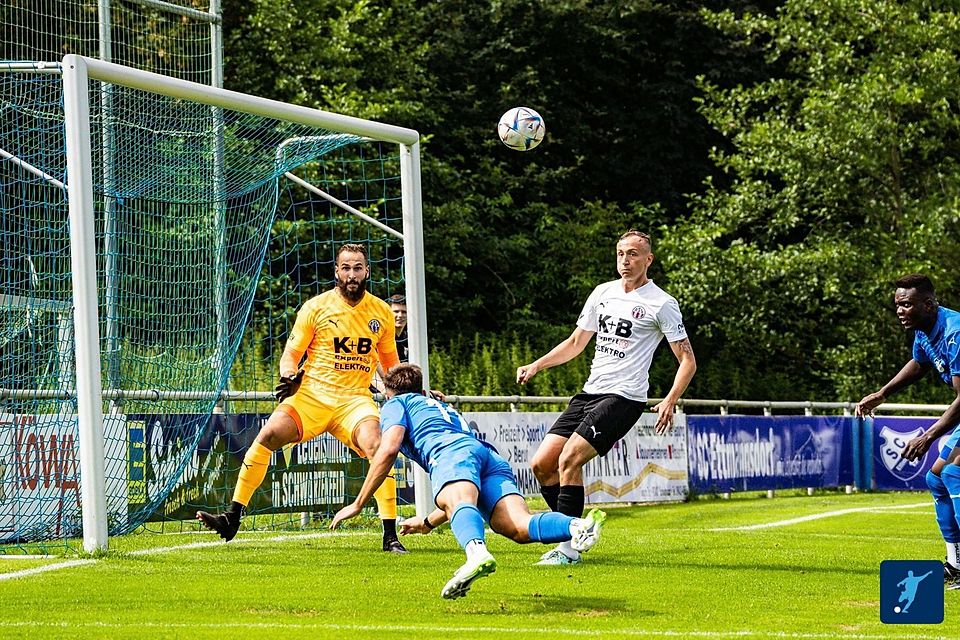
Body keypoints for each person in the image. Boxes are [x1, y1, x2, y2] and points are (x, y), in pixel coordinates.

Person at [329, 363, 608, 600]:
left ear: (390, 392)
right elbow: (462, 496)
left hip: (452, 455)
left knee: (459, 501)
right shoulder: (438, 404)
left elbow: (387, 450)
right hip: (486, 456)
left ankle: (476, 554)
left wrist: (358, 503)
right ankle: (578, 525)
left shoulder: (396, 404)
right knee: (516, 527)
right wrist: (427, 523)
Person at [197, 243, 408, 553]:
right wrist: (288, 375)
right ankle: (233, 517)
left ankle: (390, 535)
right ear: (336, 271)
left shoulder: (381, 313)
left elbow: (391, 367)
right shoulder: (315, 308)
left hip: (354, 400)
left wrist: (415, 392)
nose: (351, 274)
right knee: (267, 435)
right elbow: (290, 355)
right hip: (311, 396)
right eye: (346, 268)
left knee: (378, 446)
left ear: (367, 271)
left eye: (357, 268)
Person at [516, 230, 696, 565]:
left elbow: (687, 360)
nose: (625, 261)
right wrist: (537, 365)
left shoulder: (661, 303)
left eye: (632, 254)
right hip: (590, 393)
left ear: (648, 259)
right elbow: (575, 343)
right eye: (620, 254)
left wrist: (670, 399)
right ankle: (577, 529)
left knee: (569, 459)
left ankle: (568, 551)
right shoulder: (603, 293)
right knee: (541, 465)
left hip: (625, 398)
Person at [855, 274, 960, 583]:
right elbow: (919, 364)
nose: (900, 311)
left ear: (928, 304)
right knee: (937, 478)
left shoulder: (955, 333)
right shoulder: (926, 330)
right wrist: (882, 394)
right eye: (897, 305)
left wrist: (928, 437)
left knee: (953, 473)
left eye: (906, 305)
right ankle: (956, 565)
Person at [386, 294, 408, 362]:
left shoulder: (411, 339)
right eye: (396, 311)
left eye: (404, 312)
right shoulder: (382, 338)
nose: (400, 315)